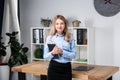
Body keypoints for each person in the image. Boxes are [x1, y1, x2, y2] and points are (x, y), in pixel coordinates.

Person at [44, 15, 76, 80]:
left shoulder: (70, 37)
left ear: (65, 25)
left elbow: (74, 55)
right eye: (57, 24)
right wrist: (52, 53)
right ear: (54, 25)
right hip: (54, 68)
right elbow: (45, 56)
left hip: (66, 69)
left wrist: (62, 52)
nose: (59, 26)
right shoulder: (50, 38)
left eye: (62, 23)